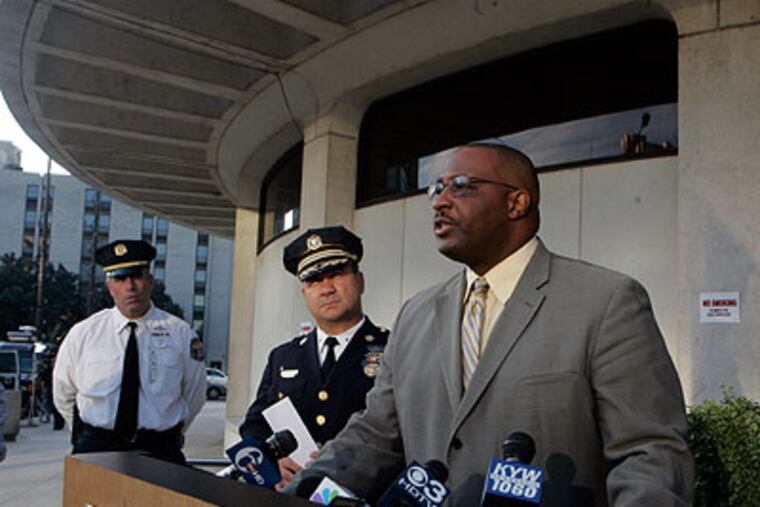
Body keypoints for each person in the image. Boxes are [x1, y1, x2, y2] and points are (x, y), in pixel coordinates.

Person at [286, 143, 693, 505]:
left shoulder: (605, 301)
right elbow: (374, 435)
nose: (439, 201)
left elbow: (649, 453)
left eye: (461, 185)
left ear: (516, 203)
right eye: (436, 188)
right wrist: (293, 494)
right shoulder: (415, 315)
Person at [239, 225, 389, 489]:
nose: (326, 288)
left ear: (360, 280)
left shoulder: (393, 350)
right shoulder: (283, 357)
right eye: (314, 280)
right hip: (294, 494)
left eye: (336, 274)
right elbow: (254, 425)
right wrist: (271, 464)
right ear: (304, 293)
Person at [53, 239, 206, 465]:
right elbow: (63, 391)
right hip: (97, 447)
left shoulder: (180, 334)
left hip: (159, 448)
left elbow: (194, 393)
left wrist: (167, 429)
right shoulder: (84, 333)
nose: (130, 286)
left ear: (150, 281)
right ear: (109, 286)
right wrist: (87, 433)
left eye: (136, 276)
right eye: (120, 278)